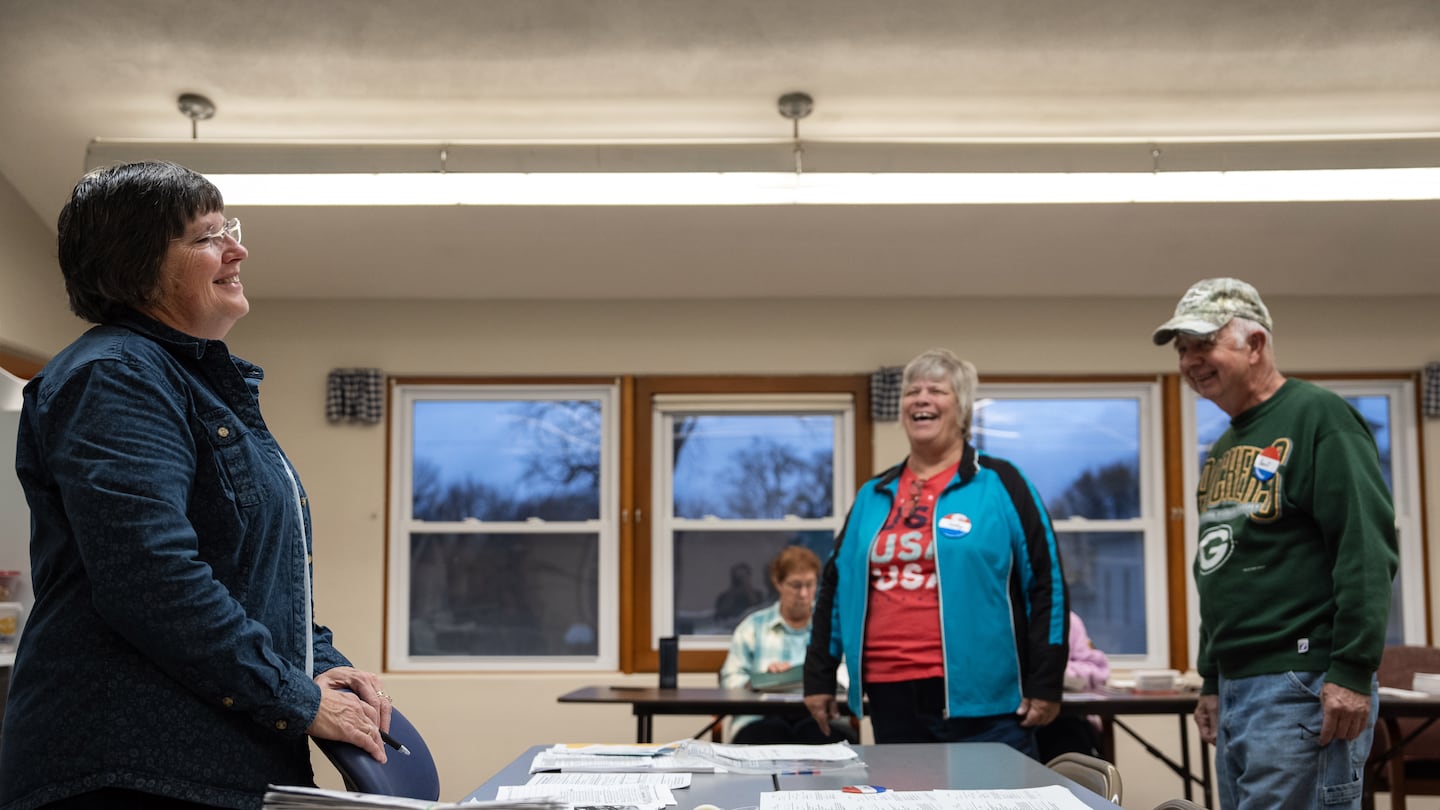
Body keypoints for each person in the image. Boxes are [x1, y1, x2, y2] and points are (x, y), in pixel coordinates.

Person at [0, 162, 395, 810]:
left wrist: (317, 661)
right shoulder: (116, 376)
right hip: (136, 769)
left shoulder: (194, 384)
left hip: (209, 765)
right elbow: (151, 577)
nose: (238, 249)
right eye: (209, 236)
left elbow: (251, 578)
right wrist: (297, 696)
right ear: (137, 262)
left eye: (229, 230)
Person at [1152, 277, 1399, 810]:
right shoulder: (1223, 447)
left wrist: (1352, 671)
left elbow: (1364, 548)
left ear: (1255, 344)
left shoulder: (1319, 418)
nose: (1191, 362)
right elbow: (1216, 568)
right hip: (1240, 686)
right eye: (1183, 350)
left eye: (1204, 344)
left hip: (1303, 682)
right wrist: (1212, 678)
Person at [802, 348, 1068, 757]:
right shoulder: (873, 494)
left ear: (960, 409)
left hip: (986, 702)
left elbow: (1047, 585)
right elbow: (834, 590)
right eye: (912, 391)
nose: (921, 398)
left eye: (936, 390)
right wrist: (818, 676)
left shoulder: (1003, 484)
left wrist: (1046, 681)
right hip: (889, 694)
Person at [719, 546, 856, 744]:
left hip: (822, 718)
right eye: (796, 585)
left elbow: (852, 675)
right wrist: (760, 680)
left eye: (810, 585)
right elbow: (730, 680)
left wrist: (822, 678)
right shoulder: (752, 627)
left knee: (816, 734)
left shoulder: (833, 627)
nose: (803, 594)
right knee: (770, 734)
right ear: (778, 582)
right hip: (761, 718)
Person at [1035, 611, 1110, 762]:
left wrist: (1054, 670)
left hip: (1064, 718)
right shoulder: (997, 616)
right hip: (1010, 717)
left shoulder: (1066, 619)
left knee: (1067, 741)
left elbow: (1099, 671)